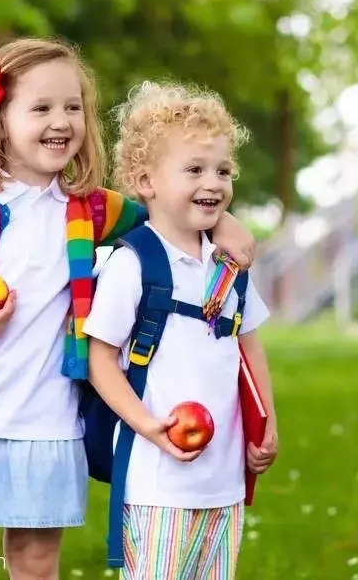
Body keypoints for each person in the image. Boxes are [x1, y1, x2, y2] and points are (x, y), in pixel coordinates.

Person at [0, 39, 256, 580]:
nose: (60, 121)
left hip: (50, 423)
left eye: (72, 107)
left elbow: (164, 213)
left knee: (37, 563)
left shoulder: (90, 209)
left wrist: (220, 222)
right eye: (40, 108)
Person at [83, 81, 279, 579]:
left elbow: (248, 346)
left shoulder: (227, 266)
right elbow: (100, 359)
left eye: (222, 171)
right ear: (145, 180)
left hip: (224, 481)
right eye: (194, 170)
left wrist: (266, 423)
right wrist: (146, 425)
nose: (213, 183)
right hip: (156, 484)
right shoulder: (133, 265)